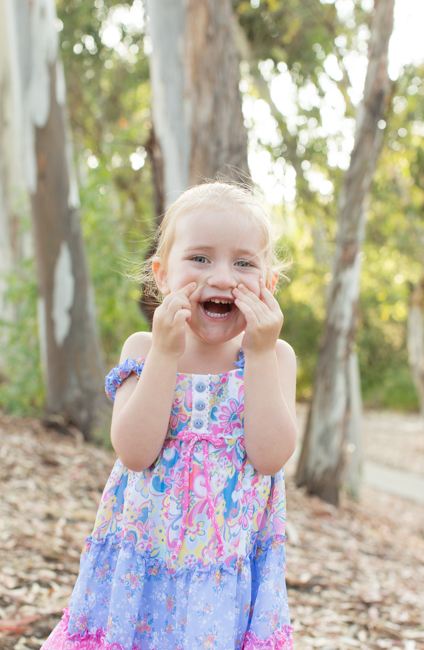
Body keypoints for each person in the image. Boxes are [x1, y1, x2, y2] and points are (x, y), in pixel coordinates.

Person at [42, 182, 297, 650]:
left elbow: (271, 457)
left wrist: (259, 355)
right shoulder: (144, 349)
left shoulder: (273, 357)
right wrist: (164, 352)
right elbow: (135, 453)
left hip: (223, 577)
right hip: (143, 565)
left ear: (269, 285)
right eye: (200, 258)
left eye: (244, 262)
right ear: (161, 276)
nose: (222, 277)